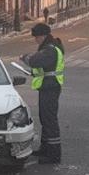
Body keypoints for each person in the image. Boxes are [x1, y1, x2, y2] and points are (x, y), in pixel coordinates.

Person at [22, 23, 65, 164]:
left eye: (37, 37)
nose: (36, 40)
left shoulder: (50, 49)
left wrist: (25, 57)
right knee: (45, 118)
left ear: (43, 35)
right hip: (47, 86)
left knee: (49, 120)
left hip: (50, 87)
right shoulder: (50, 47)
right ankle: (45, 148)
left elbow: (35, 61)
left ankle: (53, 154)